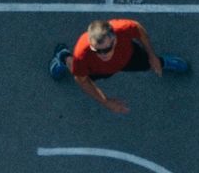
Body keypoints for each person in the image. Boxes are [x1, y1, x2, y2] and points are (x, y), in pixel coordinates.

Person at [51, 17, 187, 111]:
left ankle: (162, 62)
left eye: (107, 49)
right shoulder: (82, 53)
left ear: (115, 39)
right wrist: (105, 101)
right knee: (75, 67)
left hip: (128, 57)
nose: (103, 54)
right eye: (97, 50)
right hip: (98, 70)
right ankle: (63, 56)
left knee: (147, 63)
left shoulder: (123, 28)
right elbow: (82, 81)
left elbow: (140, 31)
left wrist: (152, 56)